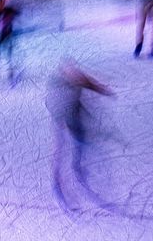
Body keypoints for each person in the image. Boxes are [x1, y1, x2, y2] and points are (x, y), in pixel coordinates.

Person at [46, 62, 114, 210]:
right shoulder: (62, 87)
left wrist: (104, 90)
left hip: (75, 123)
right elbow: (55, 106)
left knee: (78, 149)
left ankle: (76, 170)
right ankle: (59, 184)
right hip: (65, 123)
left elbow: (89, 83)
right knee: (62, 153)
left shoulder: (77, 79)